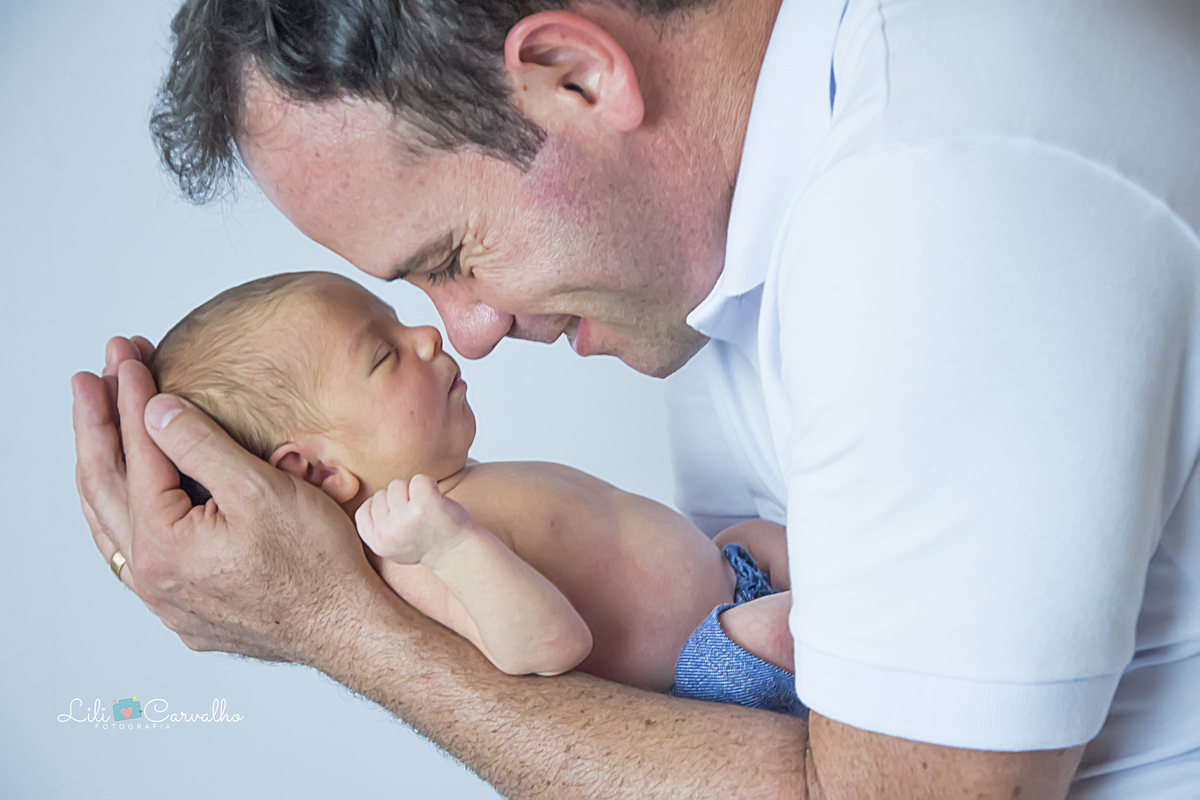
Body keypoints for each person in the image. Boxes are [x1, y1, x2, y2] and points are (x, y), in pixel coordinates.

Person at [72, 0, 1200, 797]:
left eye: (454, 251)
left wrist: (335, 623)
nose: (465, 327)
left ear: (577, 73)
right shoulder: (719, 249)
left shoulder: (935, 208)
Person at [148, 269, 804, 712]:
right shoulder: (419, 561)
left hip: (731, 574)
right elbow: (547, 650)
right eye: (383, 356)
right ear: (317, 472)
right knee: (790, 627)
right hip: (712, 662)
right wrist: (453, 545)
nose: (428, 335)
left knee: (764, 534)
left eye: (400, 323)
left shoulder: (461, 482)